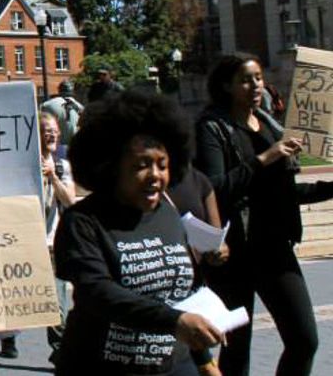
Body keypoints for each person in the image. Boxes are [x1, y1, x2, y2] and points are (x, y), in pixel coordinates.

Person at [54, 90, 222, 376]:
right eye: (141, 165)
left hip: (175, 366)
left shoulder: (169, 215)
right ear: (112, 167)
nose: (155, 174)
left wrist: (205, 362)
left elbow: (182, 294)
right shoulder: (82, 221)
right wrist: (175, 321)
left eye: (162, 165)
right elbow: (98, 292)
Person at [194, 54, 333, 376]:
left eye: (258, 78)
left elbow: (283, 192)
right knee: (236, 349)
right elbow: (214, 188)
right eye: (245, 79)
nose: (255, 85)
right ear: (227, 85)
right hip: (234, 252)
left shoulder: (270, 125)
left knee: (304, 339)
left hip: (274, 246)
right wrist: (265, 158)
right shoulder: (212, 127)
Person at [36, 112, 77, 364]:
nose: (51, 134)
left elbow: (70, 200)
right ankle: (7, 337)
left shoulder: (62, 165)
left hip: (51, 245)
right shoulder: (23, 163)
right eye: (45, 129)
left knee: (58, 306)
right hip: (26, 244)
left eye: (54, 130)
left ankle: (61, 352)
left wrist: (52, 175)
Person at [40, 81, 84, 151]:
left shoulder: (47, 105)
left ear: (59, 90)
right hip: (76, 148)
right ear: (72, 91)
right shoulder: (80, 107)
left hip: (56, 147)